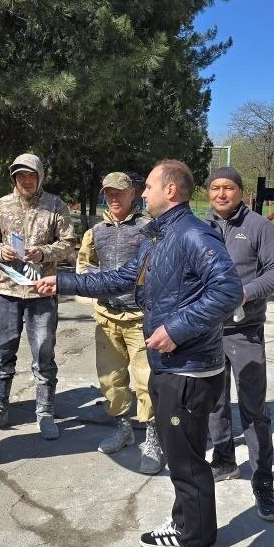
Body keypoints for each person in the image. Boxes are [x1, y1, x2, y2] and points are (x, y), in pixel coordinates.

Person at [36, 160, 241, 547]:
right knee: (180, 455)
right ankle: (184, 525)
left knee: (187, 467)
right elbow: (121, 278)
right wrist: (64, 281)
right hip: (172, 367)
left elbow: (228, 290)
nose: (142, 194)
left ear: (171, 190)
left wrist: (176, 329)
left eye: (148, 187)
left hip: (188, 370)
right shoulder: (159, 235)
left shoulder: (191, 234)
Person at [204, 167, 274, 523]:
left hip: (245, 331)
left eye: (228, 188)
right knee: (214, 402)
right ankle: (224, 460)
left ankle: (263, 482)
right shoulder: (199, 227)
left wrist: (247, 292)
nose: (221, 194)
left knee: (254, 411)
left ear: (240, 192)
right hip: (206, 332)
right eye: (215, 188)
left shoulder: (258, 227)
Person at [0, 153, 77, 440]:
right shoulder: (1, 205)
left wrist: (44, 253)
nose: (26, 181)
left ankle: (44, 412)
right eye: (21, 176)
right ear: (14, 178)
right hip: (5, 291)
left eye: (31, 175)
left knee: (43, 355)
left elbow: (68, 243)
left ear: (40, 176)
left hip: (41, 291)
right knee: (2, 354)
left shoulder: (55, 206)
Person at [76, 171, 163, 474]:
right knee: (111, 380)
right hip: (106, 315)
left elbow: (160, 264)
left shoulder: (147, 228)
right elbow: (84, 264)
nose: (114, 199)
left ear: (133, 195)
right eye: (109, 194)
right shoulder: (95, 231)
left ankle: (154, 437)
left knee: (146, 380)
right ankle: (123, 428)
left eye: (119, 193)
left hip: (140, 318)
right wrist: (93, 280)